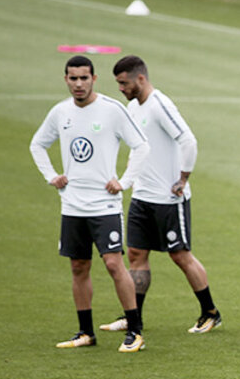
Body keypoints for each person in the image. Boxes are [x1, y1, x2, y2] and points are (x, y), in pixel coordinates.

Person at [29, 55, 150, 352]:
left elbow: (141, 145)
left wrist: (124, 181)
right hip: (72, 205)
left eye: (84, 78)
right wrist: (51, 176)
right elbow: (37, 144)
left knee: (113, 263)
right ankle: (85, 332)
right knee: (78, 266)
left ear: (94, 79)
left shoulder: (111, 110)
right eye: (73, 78)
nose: (78, 84)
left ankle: (135, 330)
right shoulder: (60, 113)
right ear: (66, 80)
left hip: (104, 205)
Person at [97, 55, 222, 336]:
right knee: (136, 254)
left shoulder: (159, 105)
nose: (120, 88)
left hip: (168, 199)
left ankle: (210, 312)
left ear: (140, 79)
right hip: (142, 196)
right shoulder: (134, 107)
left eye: (123, 82)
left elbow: (188, 140)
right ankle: (133, 316)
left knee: (180, 256)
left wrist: (183, 179)